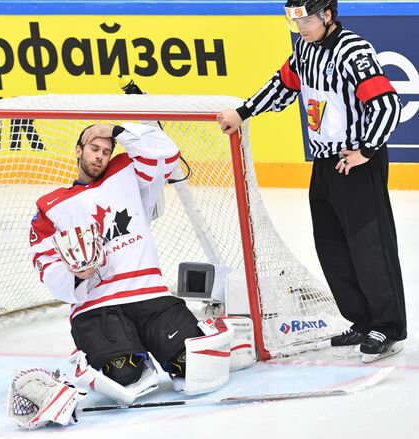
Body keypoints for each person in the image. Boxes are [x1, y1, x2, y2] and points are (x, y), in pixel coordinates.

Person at [217, 0, 406, 361]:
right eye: (293, 20)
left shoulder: (353, 50)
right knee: (332, 246)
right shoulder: (304, 49)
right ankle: (362, 321)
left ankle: (389, 325)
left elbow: (386, 104)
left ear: (328, 16)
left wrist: (365, 150)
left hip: (356, 163)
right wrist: (244, 111)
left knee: (370, 247)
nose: (299, 27)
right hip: (324, 162)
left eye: (305, 19)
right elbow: (282, 86)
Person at [28, 122, 251, 404]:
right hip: (97, 307)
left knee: (191, 369)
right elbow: (46, 264)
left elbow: (168, 154)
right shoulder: (50, 205)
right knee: (125, 377)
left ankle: (203, 334)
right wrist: (78, 275)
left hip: (149, 296)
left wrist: (117, 130)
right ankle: (97, 357)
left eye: (106, 151)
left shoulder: (127, 172)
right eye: (94, 149)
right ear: (78, 151)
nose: (99, 156)